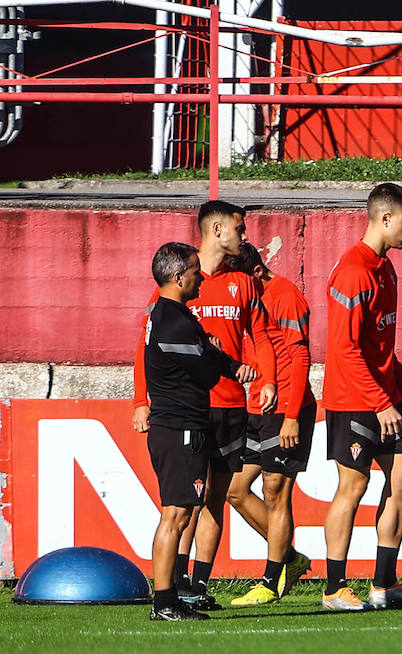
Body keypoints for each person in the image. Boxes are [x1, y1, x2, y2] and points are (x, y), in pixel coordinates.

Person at [132, 200, 280, 610]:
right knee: (182, 508)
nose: (246, 237)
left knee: (209, 498)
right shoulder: (170, 301)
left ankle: (195, 583)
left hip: (224, 407)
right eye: (240, 229)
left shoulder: (243, 283)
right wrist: (140, 400)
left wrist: (262, 378)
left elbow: (261, 337)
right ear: (217, 230)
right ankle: (170, 590)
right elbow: (153, 351)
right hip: (184, 415)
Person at [321, 182, 402, 611]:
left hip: (384, 396)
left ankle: (385, 586)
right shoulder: (353, 271)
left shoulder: (386, 269)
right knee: (353, 484)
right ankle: (334, 589)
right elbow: (345, 350)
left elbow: (381, 343)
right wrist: (380, 401)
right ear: (384, 219)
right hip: (353, 398)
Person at [143, 242, 251, 620]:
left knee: (183, 513)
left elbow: (206, 354)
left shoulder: (173, 315)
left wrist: (230, 362)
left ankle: (168, 597)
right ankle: (165, 602)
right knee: (175, 514)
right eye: (193, 270)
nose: (199, 276)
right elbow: (204, 371)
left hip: (181, 427)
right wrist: (215, 356)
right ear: (177, 277)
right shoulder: (174, 320)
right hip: (178, 428)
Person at [225, 243, 316, 606]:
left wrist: (292, 415)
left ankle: (269, 579)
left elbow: (300, 356)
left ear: (258, 273)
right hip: (255, 408)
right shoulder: (245, 298)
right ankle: (290, 560)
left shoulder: (286, 296)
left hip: (288, 410)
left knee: (275, 491)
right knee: (234, 490)